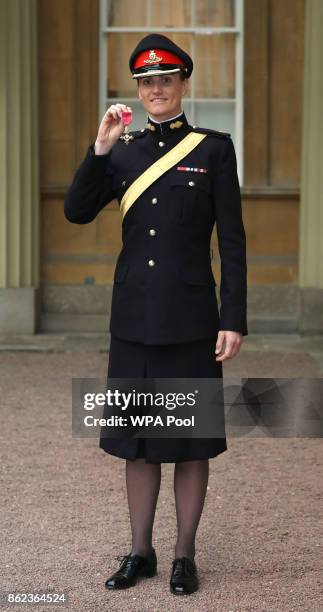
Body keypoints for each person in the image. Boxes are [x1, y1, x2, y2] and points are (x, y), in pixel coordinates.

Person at [64, 33, 247, 596]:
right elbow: (76, 211)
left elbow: (233, 241)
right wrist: (99, 148)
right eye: (147, 82)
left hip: (192, 316)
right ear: (139, 90)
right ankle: (140, 551)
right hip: (135, 316)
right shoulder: (122, 149)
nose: (157, 89)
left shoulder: (213, 149)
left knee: (189, 440)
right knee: (136, 440)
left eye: (166, 79)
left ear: (183, 84)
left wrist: (232, 318)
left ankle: (184, 556)